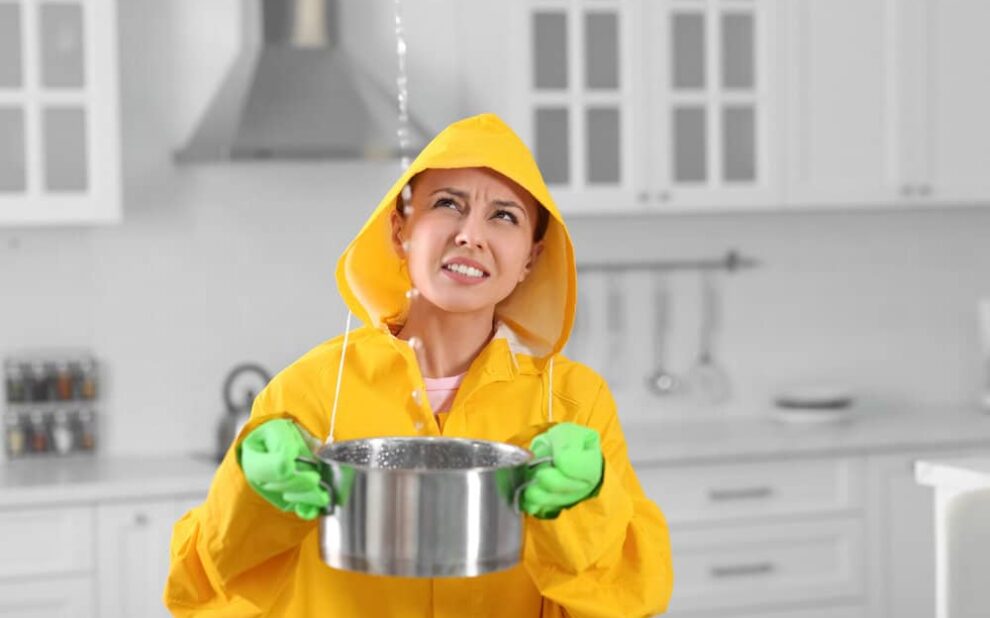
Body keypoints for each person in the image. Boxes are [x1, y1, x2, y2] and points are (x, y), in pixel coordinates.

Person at [164, 113, 673, 617]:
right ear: (399, 230)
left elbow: (636, 593)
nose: (471, 235)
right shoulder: (311, 393)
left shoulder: (573, 404)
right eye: (447, 204)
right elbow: (198, 588)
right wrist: (251, 497)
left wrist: (585, 504)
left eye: (504, 216)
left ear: (530, 260)